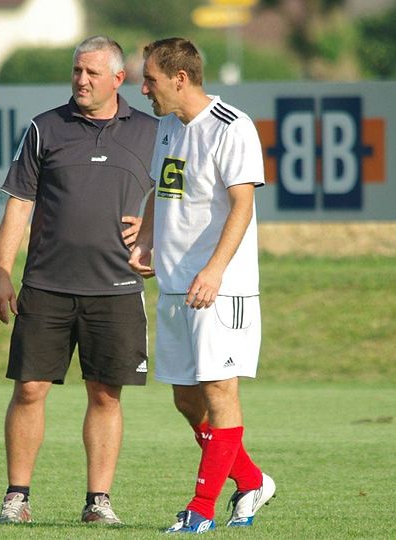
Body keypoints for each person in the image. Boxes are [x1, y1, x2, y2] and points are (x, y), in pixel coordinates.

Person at [0, 35, 158, 526]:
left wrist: (153, 234)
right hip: (47, 285)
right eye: (76, 72)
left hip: (118, 288)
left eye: (92, 74)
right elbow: (19, 203)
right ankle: (16, 498)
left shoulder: (153, 131)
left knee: (106, 394)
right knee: (30, 389)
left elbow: (180, 195)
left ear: (118, 79)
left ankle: (98, 501)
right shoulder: (45, 128)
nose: (81, 81)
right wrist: (1, 272)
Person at [129, 37, 275, 534]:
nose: (142, 88)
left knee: (218, 391)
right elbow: (161, 188)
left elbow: (242, 206)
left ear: (180, 78)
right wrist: (147, 239)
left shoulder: (232, 127)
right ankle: (252, 479)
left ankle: (202, 509)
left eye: (149, 79)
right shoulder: (169, 128)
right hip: (174, 286)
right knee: (187, 400)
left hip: (220, 286)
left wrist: (214, 270)